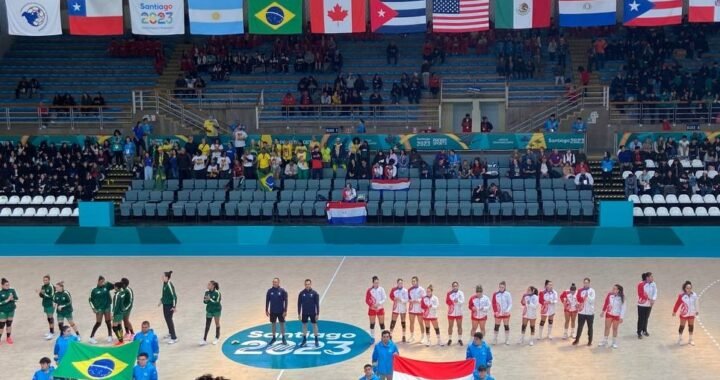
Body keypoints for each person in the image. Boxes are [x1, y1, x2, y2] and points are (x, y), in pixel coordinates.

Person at [88, 275, 114, 344]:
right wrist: (93, 308)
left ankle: (110, 335)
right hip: (99, 308)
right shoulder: (93, 290)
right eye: (102, 281)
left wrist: (108, 283)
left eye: (104, 281)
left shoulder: (106, 286)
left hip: (107, 307)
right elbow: (90, 300)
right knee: (98, 323)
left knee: (108, 321)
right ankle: (91, 337)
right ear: (98, 281)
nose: (103, 283)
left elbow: (115, 286)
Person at [599, 284, 626, 349]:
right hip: (609, 314)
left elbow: (623, 307)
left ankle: (614, 342)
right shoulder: (609, 295)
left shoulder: (622, 297)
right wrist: (603, 311)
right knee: (607, 327)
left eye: (614, 289)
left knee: (615, 328)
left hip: (616, 315)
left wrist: (621, 317)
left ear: (618, 290)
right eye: (613, 288)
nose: (613, 290)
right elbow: (606, 303)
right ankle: (605, 341)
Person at [673, 280, 699, 346]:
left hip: (691, 313)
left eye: (690, 288)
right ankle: (680, 338)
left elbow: (696, 303)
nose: (689, 289)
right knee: (682, 326)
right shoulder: (681, 296)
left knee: (691, 326)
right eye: (687, 288)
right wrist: (674, 311)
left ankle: (690, 339)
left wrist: (697, 310)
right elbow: (677, 304)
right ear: (685, 288)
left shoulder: (694, 295)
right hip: (684, 314)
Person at [572, 277, 595, 346]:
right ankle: (577, 340)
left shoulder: (592, 291)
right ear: (583, 283)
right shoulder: (579, 290)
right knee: (579, 326)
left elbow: (592, 301)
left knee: (590, 327)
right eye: (585, 283)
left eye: (587, 283)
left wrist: (587, 297)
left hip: (590, 312)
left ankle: (590, 341)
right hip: (581, 312)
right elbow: (575, 299)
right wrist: (577, 304)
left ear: (589, 283)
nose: (586, 284)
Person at [298, 278, 320, 347]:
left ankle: (316, 340)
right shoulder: (301, 293)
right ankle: (304, 340)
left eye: (309, 284)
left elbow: (317, 304)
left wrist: (317, 313)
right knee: (304, 326)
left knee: (314, 326)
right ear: (304, 285)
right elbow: (299, 304)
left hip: (312, 312)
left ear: (311, 284)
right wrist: (299, 313)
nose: (307, 285)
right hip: (304, 312)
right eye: (306, 284)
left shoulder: (315, 293)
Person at [266, 277, 288, 346]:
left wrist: (285, 310)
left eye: (276, 282)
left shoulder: (282, 291)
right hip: (273, 311)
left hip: (281, 311)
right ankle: (274, 337)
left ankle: (283, 338)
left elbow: (286, 301)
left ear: (278, 283)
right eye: (273, 282)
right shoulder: (269, 291)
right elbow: (267, 301)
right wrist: (266, 310)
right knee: (273, 325)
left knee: (282, 324)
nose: (274, 283)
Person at [366, 276, 387, 343]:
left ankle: (383, 338)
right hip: (372, 309)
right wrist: (372, 306)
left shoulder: (381, 289)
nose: (376, 284)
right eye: (375, 283)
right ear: (373, 283)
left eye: (377, 283)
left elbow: (384, 298)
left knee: (382, 324)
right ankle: (372, 337)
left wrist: (379, 304)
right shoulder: (369, 290)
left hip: (380, 308)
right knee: (372, 324)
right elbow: (367, 300)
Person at [637, 272, 657, 339]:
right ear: (647, 277)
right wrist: (649, 299)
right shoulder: (641, 284)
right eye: (651, 276)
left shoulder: (653, 284)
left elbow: (655, 292)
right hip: (642, 304)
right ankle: (639, 332)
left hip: (649, 304)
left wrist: (653, 299)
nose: (652, 278)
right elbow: (641, 294)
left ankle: (644, 330)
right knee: (641, 318)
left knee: (646, 318)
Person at [201, 281, 222, 346]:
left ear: (213, 286)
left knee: (217, 323)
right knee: (207, 325)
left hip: (216, 310)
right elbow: (204, 302)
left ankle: (217, 337)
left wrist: (210, 299)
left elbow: (217, 302)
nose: (207, 285)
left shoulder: (217, 293)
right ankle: (204, 339)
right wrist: (206, 300)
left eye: (209, 284)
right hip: (209, 310)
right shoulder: (206, 292)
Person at [491, 281, 512, 345]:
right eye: (500, 287)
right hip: (498, 313)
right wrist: (496, 312)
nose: (501, 288)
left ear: (505, 287)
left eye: (502, 287)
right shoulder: (495, 294)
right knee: (496, 326)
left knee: (506, 326)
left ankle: (507, 339)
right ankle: (495, 339)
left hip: (506, 313)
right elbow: (493, 303)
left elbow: (510, 303)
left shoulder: (508, 294)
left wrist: (507, 311)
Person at [160, 271, 178, 344]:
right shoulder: (165, 283)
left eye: (163, 276)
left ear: (167, 277)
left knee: (169, 320)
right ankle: (170, 333)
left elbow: (174, 297)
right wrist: (161, 300)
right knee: (167, 319)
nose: (162, 277)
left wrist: (174, 306)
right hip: (165, 304)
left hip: (169, 306)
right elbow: (165, 294)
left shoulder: (169, 285)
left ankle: (174, 338)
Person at [389, 278, 409, 343]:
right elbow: (390, 296)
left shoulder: (405, 290)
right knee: (393, 321)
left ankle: (404, 336)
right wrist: (394, 298)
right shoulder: (393, 289)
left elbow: (407, 299)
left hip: (403, 308)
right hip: (396, 307)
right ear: (397, 283)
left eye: (401, 283)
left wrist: (401, 300)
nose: (400, 284)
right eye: (399, 283)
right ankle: (390, 335)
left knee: (403, 322)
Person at [407, 276, 426, 344]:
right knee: (411, 322)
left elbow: (424, 298)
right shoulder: (409, 290)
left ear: (417, 281)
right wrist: (410, 300)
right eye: (412, 281)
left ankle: (423, 337)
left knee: (421, 323)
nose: (413, 282)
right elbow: (407, 298)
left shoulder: (422, 289)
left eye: (414, 281)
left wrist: (418, 300)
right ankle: (412, 336)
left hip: (419, 309)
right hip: (412, 308)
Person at [446, 281, 465, 346]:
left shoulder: (461, 293)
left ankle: (459, 339)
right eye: (453, 286)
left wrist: (458, 301)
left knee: (459, 326)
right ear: (452, 287)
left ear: (458, 286)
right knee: (450, 326)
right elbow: (447, 301)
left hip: (459, 312)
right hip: (451, 312)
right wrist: (452, 303)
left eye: (456, 286)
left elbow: (462, 301)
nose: (455, 287)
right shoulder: (449, 293)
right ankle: (450, 339)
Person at [0, 278, 18, 344]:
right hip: (3, 311)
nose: (7, 286)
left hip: (11, 311)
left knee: (9, 324)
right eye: (6, 285)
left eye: (8, 285)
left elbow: (16, 298)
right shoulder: (0, 293)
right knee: (1, 325)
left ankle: (8, 337)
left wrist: (12, 299)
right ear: (2, 285)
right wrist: (7, 300)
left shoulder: (12, 290)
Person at [37, 275, 56, 340]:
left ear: (49, 280)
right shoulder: (43, 286)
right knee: (48, 318)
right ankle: (51, 331)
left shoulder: (51, 287)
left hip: (51, 304)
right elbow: (42, 296)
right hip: (45, 304)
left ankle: (52, 333)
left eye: (46, 280)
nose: (45, 281)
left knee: (50, 318)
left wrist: (44, 293)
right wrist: (40, 293)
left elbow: (52, 296)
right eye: (44, 280)